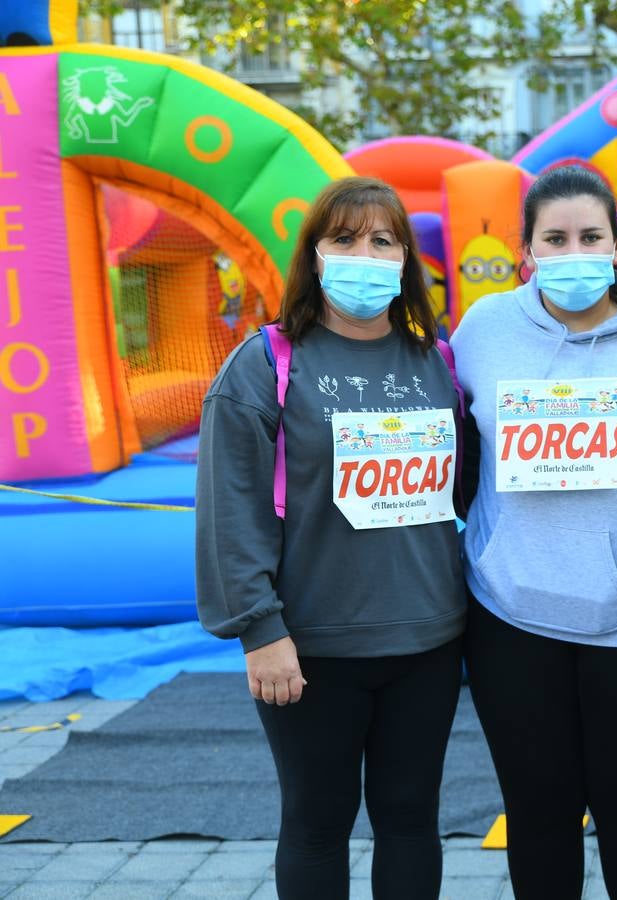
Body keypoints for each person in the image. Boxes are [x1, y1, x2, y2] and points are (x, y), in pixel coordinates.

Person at [196, 176, 467, 900]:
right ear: (314, 255)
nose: (365, 253)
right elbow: (232, 508)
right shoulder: (266, 364)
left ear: (406, 258)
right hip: (310, 649)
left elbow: (460, 493)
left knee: (411, 819)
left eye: (383, 240)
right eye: (345, 238)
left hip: (429, 642)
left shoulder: (436, 362)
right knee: (317, 822)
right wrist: (259, 630)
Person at [451, 165, 617, 900]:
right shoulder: (484, 331)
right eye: (554, 239)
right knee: (538, 812)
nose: (573, 251)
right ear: (526, 251)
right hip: (511, 613)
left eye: (591, 236)